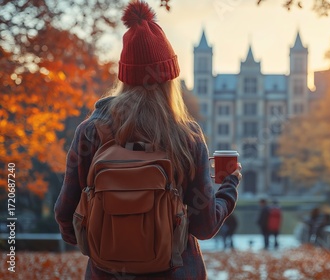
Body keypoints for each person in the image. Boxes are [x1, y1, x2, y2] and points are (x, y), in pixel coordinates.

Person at [53, 1, 242, 279]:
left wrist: (111, 241)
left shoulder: (91, 133)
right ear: (169, 80)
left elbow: (65, 216)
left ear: (124, 77)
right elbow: (204, 226)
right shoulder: (186, 137)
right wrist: (230, 185)